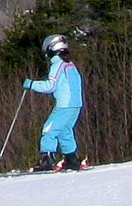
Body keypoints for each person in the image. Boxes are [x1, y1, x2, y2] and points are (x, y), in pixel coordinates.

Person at [24, 33, 86, 171]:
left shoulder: (58, 65)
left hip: (65, 105)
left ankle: (47, 160)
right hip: (75, 104)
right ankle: (71, 159)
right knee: (64, 131)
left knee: (49, 129)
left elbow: (50, 86)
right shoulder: (69, 64)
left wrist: (31, 84)